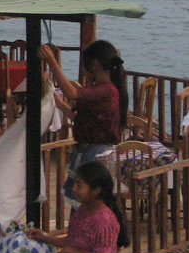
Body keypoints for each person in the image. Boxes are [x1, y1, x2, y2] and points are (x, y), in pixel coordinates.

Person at [40, 40, 128, 194]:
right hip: (87, 150)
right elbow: (84, 119)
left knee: (86, 198)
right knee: (80, 198)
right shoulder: (103, 89)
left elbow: (72, 93)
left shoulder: (107, 90)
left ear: (94, 64)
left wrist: (52, 61)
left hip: (96, 154)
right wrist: (61, 105)